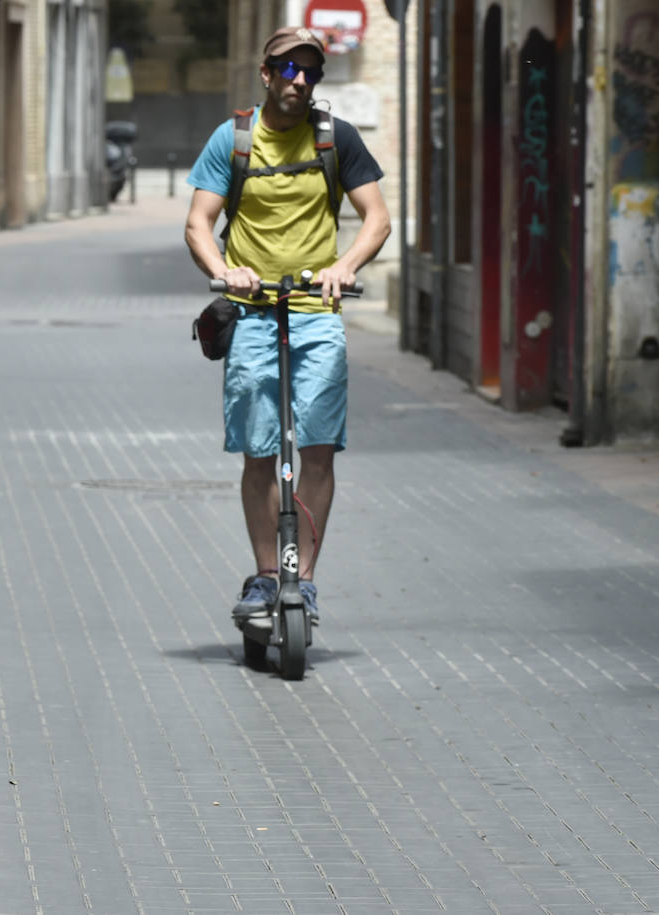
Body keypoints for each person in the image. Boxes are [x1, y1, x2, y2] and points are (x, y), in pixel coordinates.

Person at [183, 26, 391, 625]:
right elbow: (200, 223)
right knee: (259, 448)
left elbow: (375, 218)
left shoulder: (335, 139)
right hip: (251, 314)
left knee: (319, 449)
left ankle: (306, 581)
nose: (299, 80)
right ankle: (267, 576)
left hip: (316, 313)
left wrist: (343, 265)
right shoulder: (234, 140)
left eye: (310, 71)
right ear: (266, 73)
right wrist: (226, 270)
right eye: (288, 68)